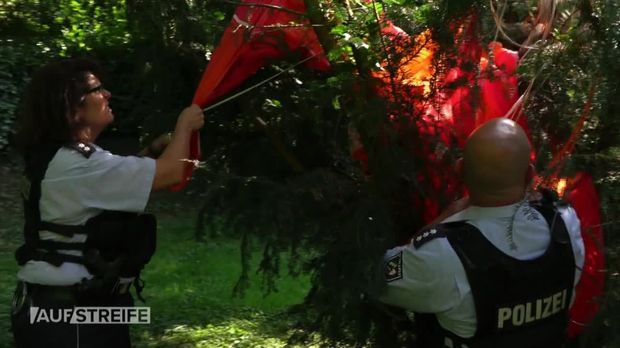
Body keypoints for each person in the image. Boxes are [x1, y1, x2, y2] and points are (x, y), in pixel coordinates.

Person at [9, 58, 204, 348]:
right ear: (73, 107)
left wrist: (151, 151)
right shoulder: (77, 164)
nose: (107, 94)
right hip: (73, 317)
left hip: (56, 308)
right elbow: (172, 171)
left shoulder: (56, 156)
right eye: (97, 89)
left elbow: (105, 182)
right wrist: (185, 124)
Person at [379, 118, 585, 348]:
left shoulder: (441, 254)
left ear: (460, 170)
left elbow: (372, 278)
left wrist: (443, 217)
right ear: (529, 176)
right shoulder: (565, 224)